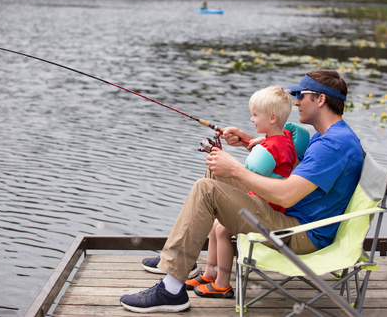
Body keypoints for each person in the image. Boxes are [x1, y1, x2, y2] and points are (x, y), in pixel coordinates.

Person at [119, 69, 364, 313]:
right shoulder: (332, 137)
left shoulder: (332, 144)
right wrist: (251, 141)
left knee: (208, 190)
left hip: (300, 232)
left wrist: (236, 169)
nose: (296, 101)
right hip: (294, 216)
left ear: (320, 99)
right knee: (216, 174)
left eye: (301, 94)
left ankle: (171, 289)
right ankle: (184, 262)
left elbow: (286, 194)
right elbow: (293, 171)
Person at [186, 85, 297, 299]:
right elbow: (274, 147)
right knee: (217, 221)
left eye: (255, 115)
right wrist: (253, 141)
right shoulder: (282, 138)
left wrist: (226, 160)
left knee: (221, 229)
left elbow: (248, 172)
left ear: (272, 118)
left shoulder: (269, 149)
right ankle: (210, 272)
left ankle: (222, 284)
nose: (252, 119)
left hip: (268, 206)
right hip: (269, 201)